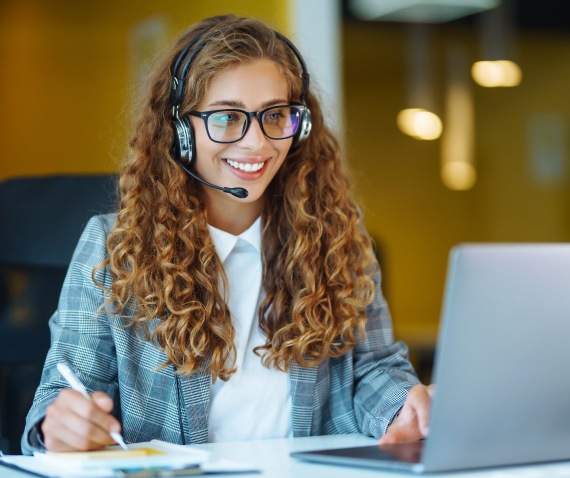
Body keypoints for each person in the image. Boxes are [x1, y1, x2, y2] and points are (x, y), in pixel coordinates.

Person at [21, 14, 432, 454]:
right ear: (180, 131)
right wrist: (56, 428)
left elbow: (373, 369)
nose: (257, 143)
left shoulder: (337, 240)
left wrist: (403, 406)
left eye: (275, 115)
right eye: (227, 117)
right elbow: (61, 397)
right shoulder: (113, 248)